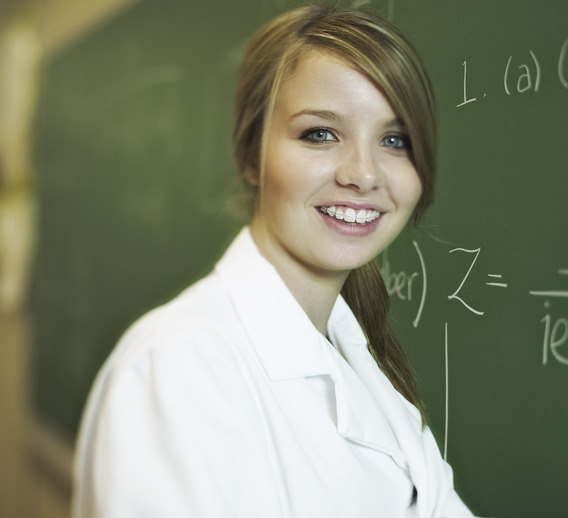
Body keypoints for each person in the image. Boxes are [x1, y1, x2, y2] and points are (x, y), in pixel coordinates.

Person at [72, 4, 475, 517]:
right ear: (249, 156)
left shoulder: (367, 368)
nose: (363, 174)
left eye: (395, 140)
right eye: (320, 134)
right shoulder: (176, 368)